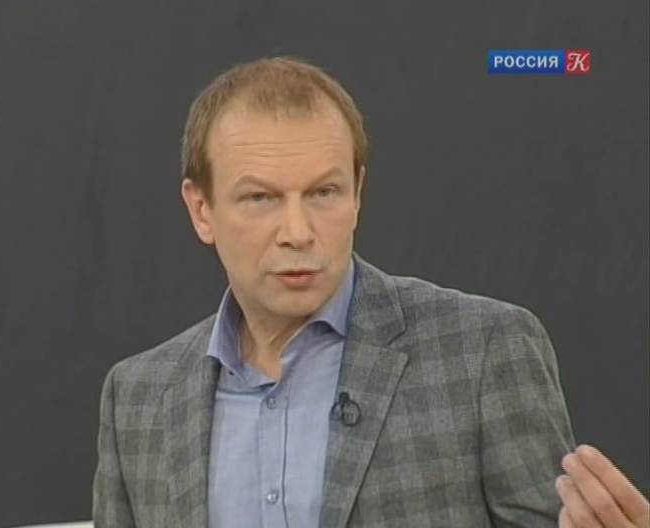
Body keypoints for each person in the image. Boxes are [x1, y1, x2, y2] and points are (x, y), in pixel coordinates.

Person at [92, 56, 648, 528]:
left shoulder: (483, 353)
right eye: (260, 198)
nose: (297, 232)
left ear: (357, 192)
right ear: (201, 209)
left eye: (324, 192)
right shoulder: (137, 397)